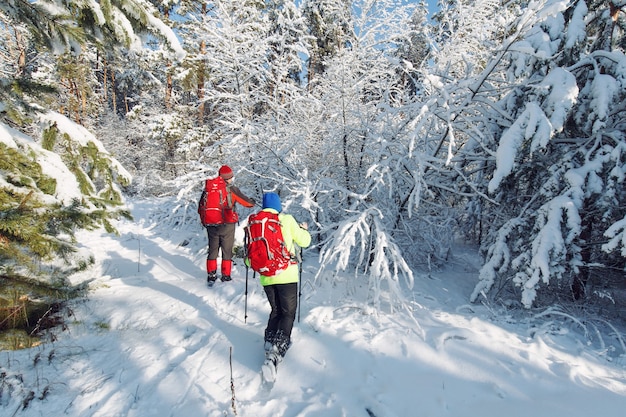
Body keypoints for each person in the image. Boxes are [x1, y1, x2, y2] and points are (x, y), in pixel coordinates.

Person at [255, 192, 311, 365]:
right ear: (279, 206)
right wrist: (303, 230)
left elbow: (250, 255)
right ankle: (278, 349)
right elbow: (304, 242)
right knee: (288, 313)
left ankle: (269, 341)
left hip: (266, 277)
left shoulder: (256, 223)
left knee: (276, 310)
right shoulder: (286, 220)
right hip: (286, 275)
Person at [205, 165, 255, 285]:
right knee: (227, 250)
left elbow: (201, 206)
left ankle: (211, 275)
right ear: (229, 178)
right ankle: (226, 275)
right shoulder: (232, 189)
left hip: (211, 224)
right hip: (227, 224)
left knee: (213, 250)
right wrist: (253, 201)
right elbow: (247, 203)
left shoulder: (209, 188)